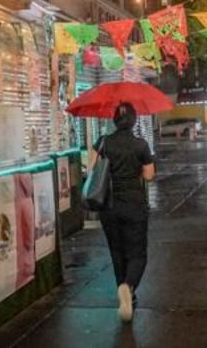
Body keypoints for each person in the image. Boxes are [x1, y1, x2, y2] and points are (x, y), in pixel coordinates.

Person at [90, 102, 156, 322]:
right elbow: (148, 175)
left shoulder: (103, 142)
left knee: (117, 252)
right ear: (134, 121)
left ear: (114, 120)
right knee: (137, 253)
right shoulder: (140, 145)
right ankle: (129, 287)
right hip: (134, 205)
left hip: (108, 206)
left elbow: (92, 168)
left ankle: (125, 294)